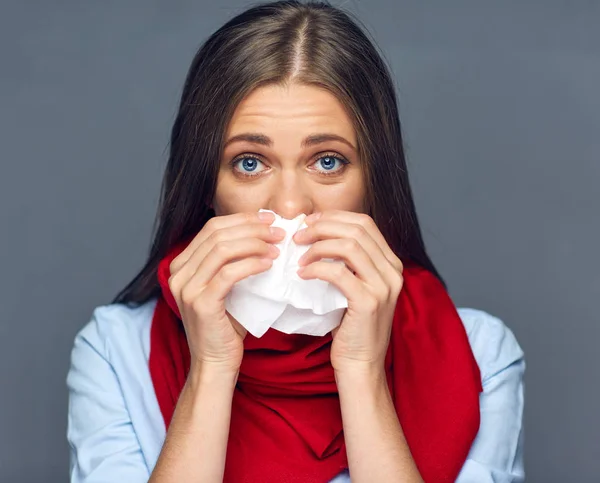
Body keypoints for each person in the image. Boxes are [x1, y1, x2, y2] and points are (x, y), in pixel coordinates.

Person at [66, 1, 525, 482]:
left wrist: (362, 371)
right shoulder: (115, 353)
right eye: (249, 162)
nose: (289, 206)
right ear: (207, 186)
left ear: (374, 182)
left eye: (327, 161)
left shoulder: (480, 356)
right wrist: (212, 368)